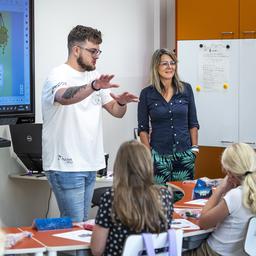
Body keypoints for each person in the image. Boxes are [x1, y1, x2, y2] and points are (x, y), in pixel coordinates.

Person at [41, 25, 138, 223]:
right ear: (76, 50)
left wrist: (121, 102)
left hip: (90, 163)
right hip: (66, 165)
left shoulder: (95, 76)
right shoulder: (57, 75)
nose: (97, 56)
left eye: (98, 51)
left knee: (81, 225)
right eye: (93, 51)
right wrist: (93, 86)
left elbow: (116, 112)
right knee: (75, 225)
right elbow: (63, 97)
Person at [91, 140, 174, 256]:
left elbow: (97, 249)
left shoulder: (111, 198)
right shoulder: (165, 195)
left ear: (119, 166)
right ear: (148, 163)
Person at [137, 48, 199, 186]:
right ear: (156, 66)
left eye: (172, 63)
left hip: (185, 154)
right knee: (158, 199)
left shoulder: (186, 89)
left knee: (183, 198)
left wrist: (194, 149)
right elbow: (143, 129)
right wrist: (148, 155)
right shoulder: (146, 94)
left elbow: (193, 122)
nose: (170, 67)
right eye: (165, 63)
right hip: (158, 156)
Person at [184, 143, 256, 256]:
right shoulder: (249, 192)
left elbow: (203, 222)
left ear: (230, 173)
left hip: (215, 252)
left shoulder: (236, 196)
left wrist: (220, 189)